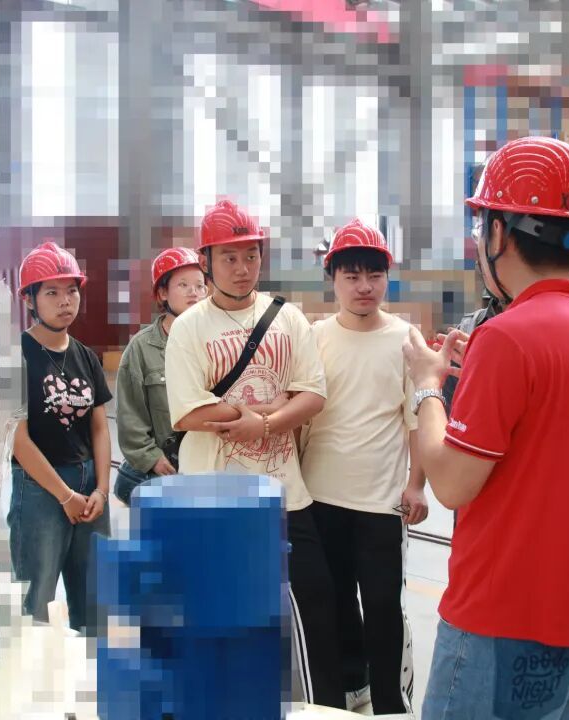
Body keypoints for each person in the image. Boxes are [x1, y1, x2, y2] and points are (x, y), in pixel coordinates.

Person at [403, 136, 569, 719]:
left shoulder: (506, 337)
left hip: (503, 619)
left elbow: (452, 484)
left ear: (497, 233)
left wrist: (428, 386)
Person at [164, 198, 344, 709]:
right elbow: (188, 413)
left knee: (313, 610)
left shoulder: (287, 318)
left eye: (250, 256)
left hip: (286, 495)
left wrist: (262, 422)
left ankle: (323, 708)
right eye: (229, 257)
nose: (242, 268)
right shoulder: (189, 328)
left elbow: (313, 394)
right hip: (214, 499)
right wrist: (269, 408)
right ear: (206, 261)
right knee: (220, 618)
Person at [299, 218, 426, 715]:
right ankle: (343, 697)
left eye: (374, 275)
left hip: (381, 504)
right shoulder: (314, 337)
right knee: (330, 608)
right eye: (351, 276)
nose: (364, 286)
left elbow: (416, 420)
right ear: (332, 279)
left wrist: (417, 484)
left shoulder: (406, 339)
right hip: (319, 498)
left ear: (387, 278)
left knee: (382, 608)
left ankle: (391, 705)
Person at [7, 241, 112, 633]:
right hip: (40, 487)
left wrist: (102, 489)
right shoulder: (16, 356)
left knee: (95, 598)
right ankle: (32, 672)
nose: (65, 301)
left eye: (71, 290)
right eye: (51, 292)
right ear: (30, 299)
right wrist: (64, 496)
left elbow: (99, 426)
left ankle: (91, 667)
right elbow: (17, 438)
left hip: (89, 483)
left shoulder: (86, 355)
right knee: (36, 600)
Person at [113, 247, 207, 505]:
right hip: (167, 467)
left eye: (200, 286)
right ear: (163, 293)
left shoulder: (217, 340)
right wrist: (151, 457)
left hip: (209, 465)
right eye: (183, 285)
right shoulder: (142, 348)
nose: (194, 292)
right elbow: (129, 413)